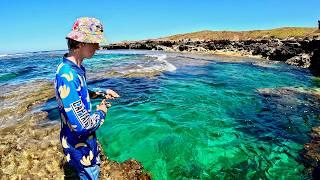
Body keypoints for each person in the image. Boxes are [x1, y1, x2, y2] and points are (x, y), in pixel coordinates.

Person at [54, 17, 120, 179]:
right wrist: (101, 112)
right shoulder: (68, 76)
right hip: (79, 146)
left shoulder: (74, 69)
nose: (98, 47)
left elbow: (78, 92)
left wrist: (101, 92)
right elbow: (83, 126)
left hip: (76, 141)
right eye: (94, 42)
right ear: (81, 43)